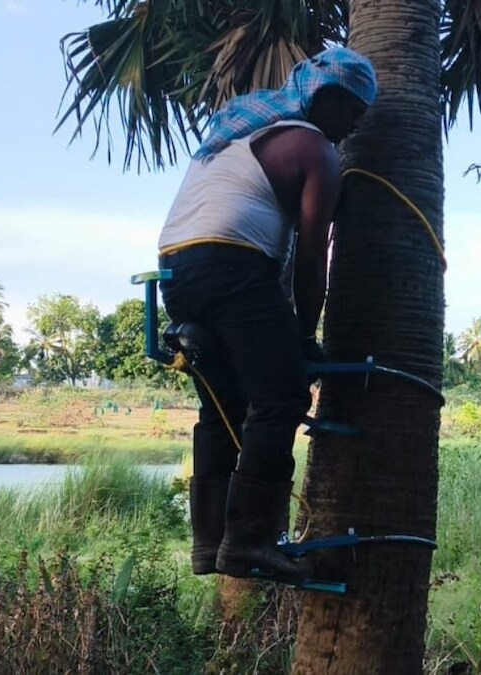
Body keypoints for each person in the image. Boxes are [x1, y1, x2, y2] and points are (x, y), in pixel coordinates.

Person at [156, 48, 377, 580]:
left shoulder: (237, 137)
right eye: (352, 113)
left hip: (175, 272)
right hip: (232, 267)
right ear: (327, 97)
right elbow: (308, 260)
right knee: (281, 397)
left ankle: (210, 544)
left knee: (224, 406)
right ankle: (249, 542)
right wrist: (302, 335)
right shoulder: (315, 149)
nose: (350, 129)